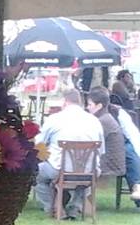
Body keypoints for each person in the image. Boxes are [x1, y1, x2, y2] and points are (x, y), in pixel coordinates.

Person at [34, 88, 105, 217]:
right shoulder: (95, 121)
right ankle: (75, 206)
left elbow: (38, 144)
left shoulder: (54, 119)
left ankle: (53, 208)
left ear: (65, 102)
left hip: (59, 169)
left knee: (35, 173)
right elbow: (101, 150)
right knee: (88, 176)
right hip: (89, 171)